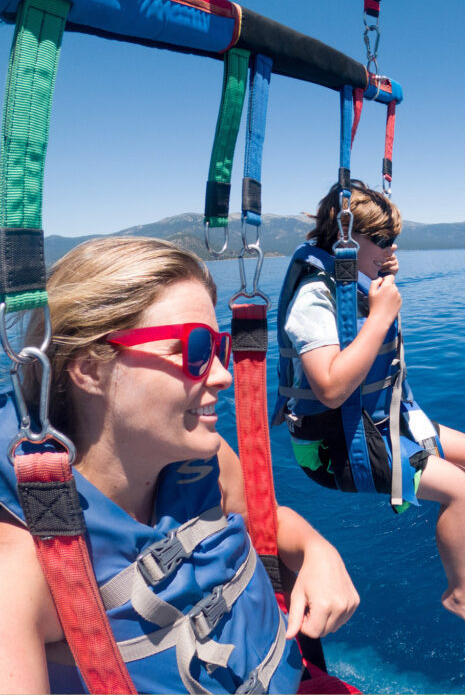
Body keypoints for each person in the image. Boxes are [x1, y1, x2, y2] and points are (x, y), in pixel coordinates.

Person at [0, 236, 359, 693]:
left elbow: (267, 524)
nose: (224, 375)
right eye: (192, 351)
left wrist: (316, 551)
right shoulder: (21, 572)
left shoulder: (201, 461)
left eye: (218, 347)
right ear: (89, 370)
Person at [276, 181, 465, 638]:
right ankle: (460, 593)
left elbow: (362, 304)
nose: (390, 248)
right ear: (344, 241)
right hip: (335, 447)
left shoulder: (352, 280)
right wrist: (381, 315)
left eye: (392, 241)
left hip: (377, 422)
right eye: (379, 241)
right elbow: (329, 388)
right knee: (458, 488)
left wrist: (380, 272)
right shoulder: (314, 299)